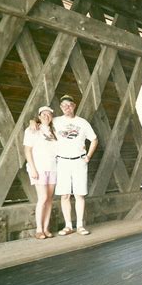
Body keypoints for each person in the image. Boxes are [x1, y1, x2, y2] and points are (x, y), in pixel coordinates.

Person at [30, 95, 98, 236]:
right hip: (62, 162)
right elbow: (42, 121)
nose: (67, 107)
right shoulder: (56, 121)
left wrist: (88, 156)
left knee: (79, 194)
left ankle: (80, 225)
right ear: (61, 108)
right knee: (65, 195)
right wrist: (32, 121)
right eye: (64, 105)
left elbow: (94, 139)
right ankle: (68, 226)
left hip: (79, 161)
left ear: (74, 106)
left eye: (70, 105)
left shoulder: (83, 122)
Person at [23, 106, 57, 240]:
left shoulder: (54, 131)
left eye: (49, 114)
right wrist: (32, 169)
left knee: (49, 199)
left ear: (51, 117)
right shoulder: (32, 130)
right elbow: (27, 150)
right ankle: (38, 229)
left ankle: (46, 228)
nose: (46, 116)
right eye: (43, 114)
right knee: (42, 198)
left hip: (53, 168)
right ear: (38, 116)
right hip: (39, 168)